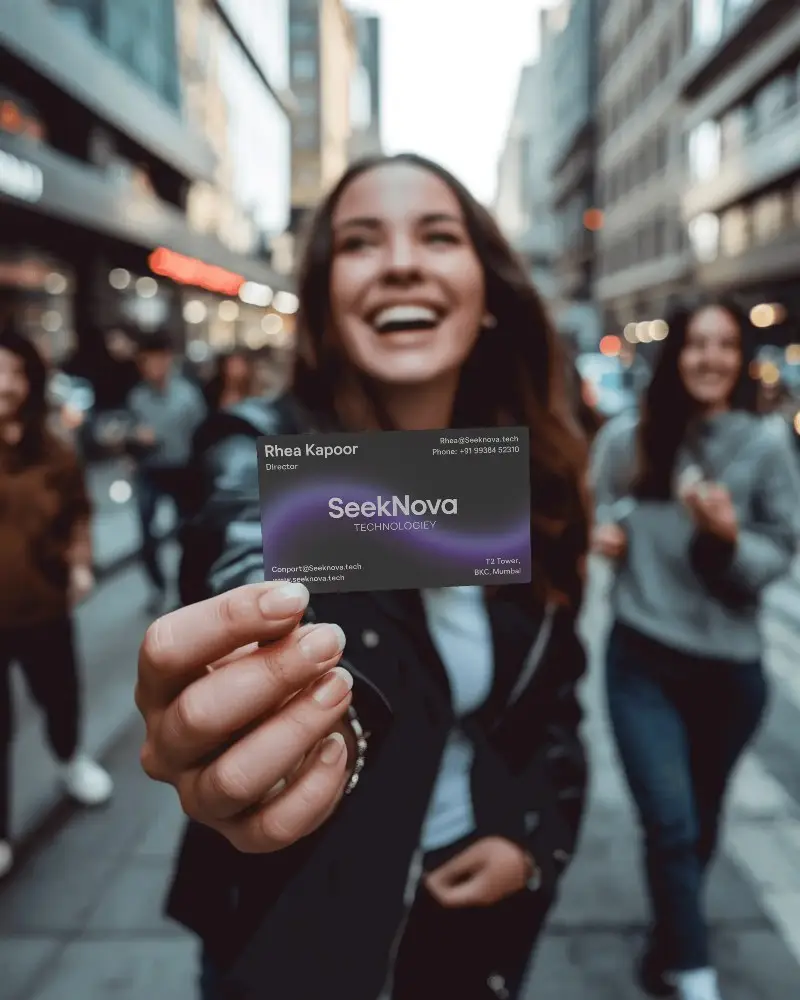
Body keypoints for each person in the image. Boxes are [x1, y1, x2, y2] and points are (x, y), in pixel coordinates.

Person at [135, 153, 591, 1000]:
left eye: (439, 234)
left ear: (488, 291)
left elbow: (557, 710)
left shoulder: (542, 481)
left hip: (471, 926)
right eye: (359, 241)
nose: (402, 261)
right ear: (327, 299)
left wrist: (531, 839)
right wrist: (270, 714)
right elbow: (242, 538)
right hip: (291, 932)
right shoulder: (256, 447)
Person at [590, 294, 800, 1000]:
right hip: (643, 659)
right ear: (674, 356)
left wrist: (730, 538)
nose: (709, 358)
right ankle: (694, 974)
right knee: (671, 823)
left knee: (697, 827)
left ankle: (669, 942)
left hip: (731, 673)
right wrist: (606, 532)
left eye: (724, 345)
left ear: (740, 359)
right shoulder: (631, 437)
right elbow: (596, 507)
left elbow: (781, 553)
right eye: (695, 344)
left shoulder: (767, 444)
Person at [0, 324, 113, 879]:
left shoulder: (54, 450)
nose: (5, 384)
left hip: (42, 604)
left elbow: (79, 512)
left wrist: (80, 562)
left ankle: (70, 760)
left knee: (60, 695)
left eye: (16, 373)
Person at [124, 330, 207, 612]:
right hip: (150, 471)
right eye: (146, 362)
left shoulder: (188, 396)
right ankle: (158, 587)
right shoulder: (137, 397)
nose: (152, 368)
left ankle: (188, 587)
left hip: (181, 471)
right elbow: (129, 434)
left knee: (187, 532)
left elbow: (202, 438)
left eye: (157, 361)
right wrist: (134, 441)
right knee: (146, 533)